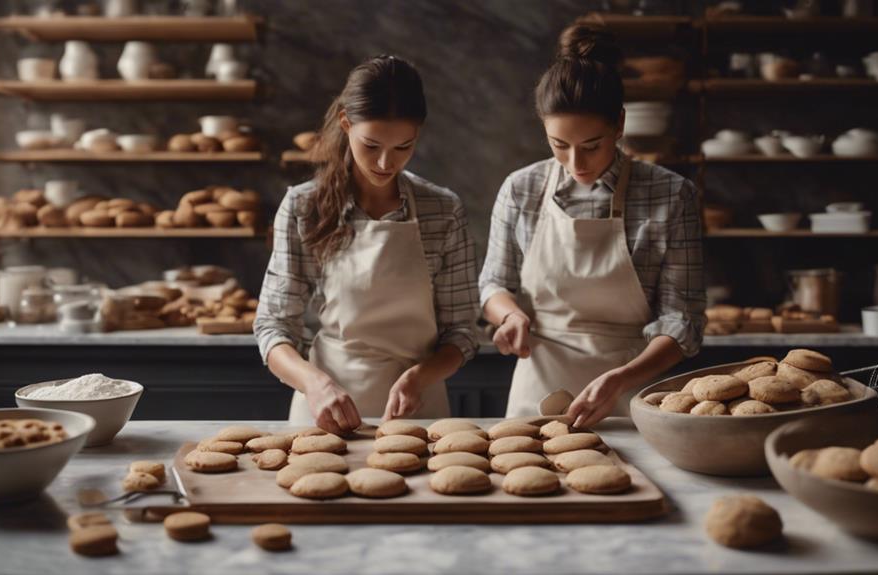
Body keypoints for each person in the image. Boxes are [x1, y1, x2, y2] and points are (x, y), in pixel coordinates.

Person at [478, 24, 706, 428]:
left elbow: (682, 321)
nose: (576, 163)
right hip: (538, 391)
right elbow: (494, 283)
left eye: (591, 146)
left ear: (619, 125)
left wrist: (621, 380)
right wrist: (509, 316)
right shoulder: (521, 188)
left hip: (636, 391)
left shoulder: (671, 194)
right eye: (559, 145)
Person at [254, 55, 480, 434]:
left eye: (403, 147)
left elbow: (462, 331)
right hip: (324, 410)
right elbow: (273, 326)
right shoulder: (303, 207)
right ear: (346, 123)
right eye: (371, 145)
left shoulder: (442, 209)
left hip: (419, 412)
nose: (384, 162)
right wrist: (315, 382)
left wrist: (420, 377)